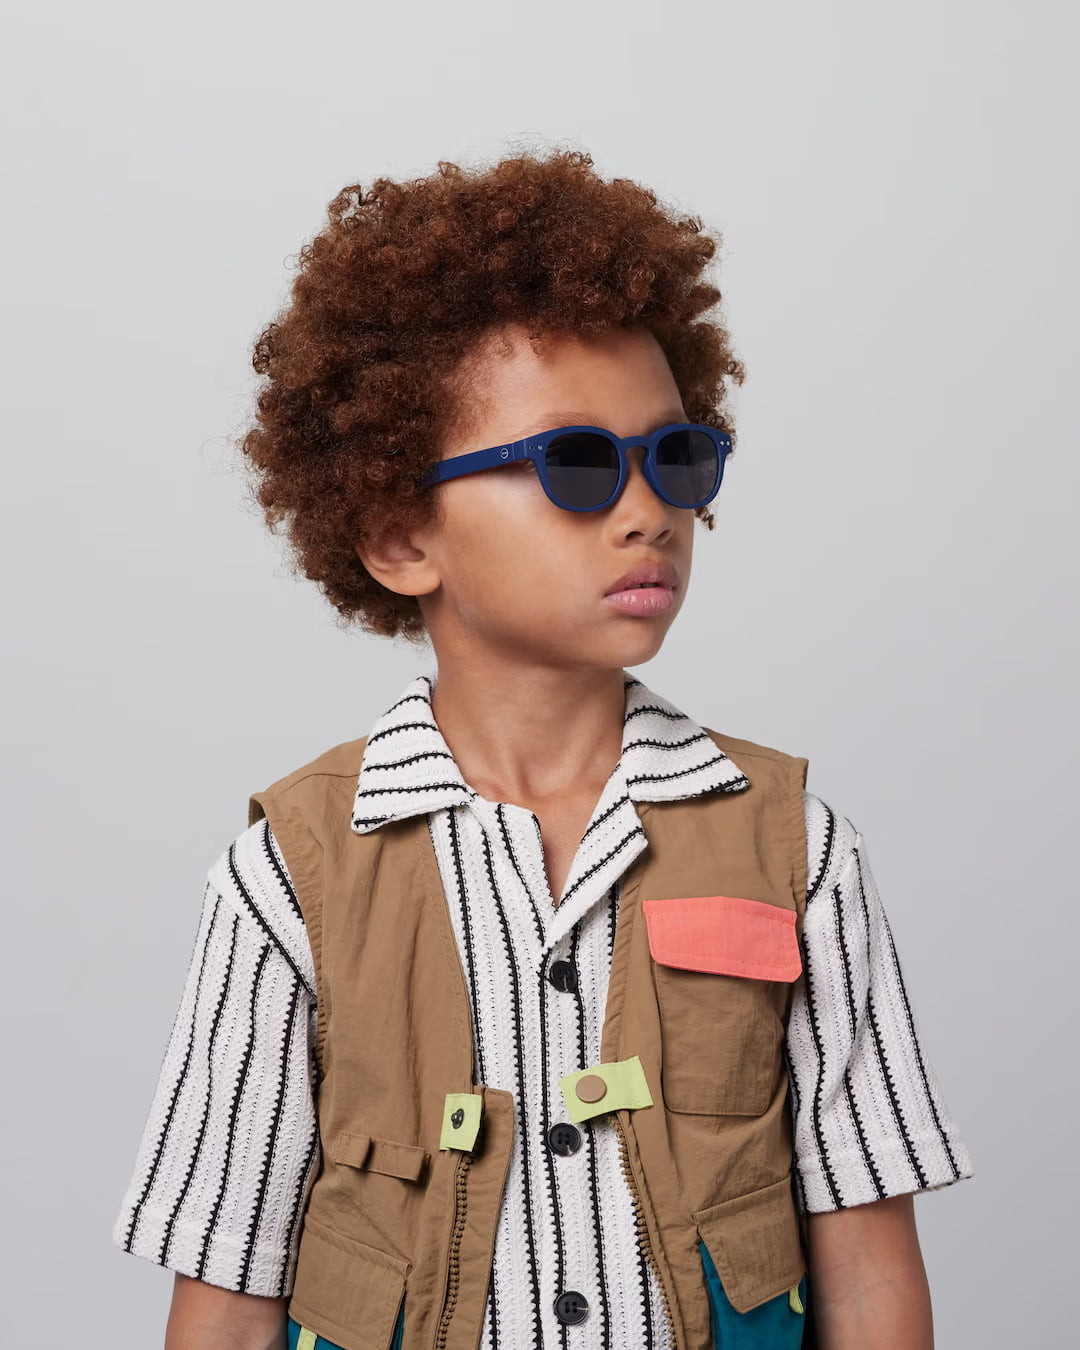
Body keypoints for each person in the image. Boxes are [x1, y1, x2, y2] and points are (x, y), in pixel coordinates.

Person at [111, 149, 973, 1350]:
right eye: (574, 465)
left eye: (675, 458)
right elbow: (226, 1302)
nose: (647, 511)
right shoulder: (291, 880)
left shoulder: (797, 850)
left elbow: (871, 1278)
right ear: (401, 534)